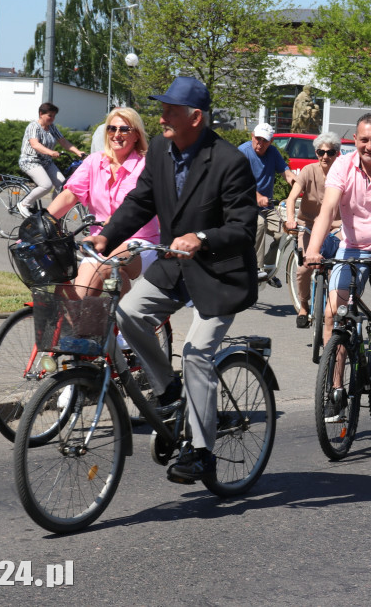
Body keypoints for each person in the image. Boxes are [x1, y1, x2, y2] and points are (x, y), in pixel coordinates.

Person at [85, 76, 258, 483]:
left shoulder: (229, 161)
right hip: (173, 266)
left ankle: (201, 452)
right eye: (161, 109)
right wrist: (107, 235)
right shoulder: (161, 151)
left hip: (218, 276)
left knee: (196, 354)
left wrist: (201, 238)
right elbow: (141, 200)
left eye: (170, 111)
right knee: (127, 313)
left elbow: (243, 227)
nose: (161, 117)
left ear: (195, 118)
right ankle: (168, 390)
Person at [305, 113, 371, 369]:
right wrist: (313, 250)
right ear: (354, 139)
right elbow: (328, 209)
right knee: (333, 314)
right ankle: (333, 387)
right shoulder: (342, 166)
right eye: (364, 140)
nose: (369, 146)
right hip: (353, 245)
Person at [47, 107, 159, 298]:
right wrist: (42, 223)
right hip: (99, 242)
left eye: (124, 129)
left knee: (108, 264)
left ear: (136, 135)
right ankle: (107, 317)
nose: (116, 134)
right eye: (111, 128)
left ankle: (127, 317)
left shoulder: (146, 165)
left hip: (140, 241)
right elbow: (69, 195)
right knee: (77, 300)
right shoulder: (94, 161)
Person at [283, 131, 343, 328]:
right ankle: (303, 306)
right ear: (316, 153)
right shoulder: (308, 171)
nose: (325, 156)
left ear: (337, 153)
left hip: (335, 227)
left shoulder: (343, 173)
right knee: (303, 268)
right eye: (321, 152)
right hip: (308, 225)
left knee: (340, 267)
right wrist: (291, 220)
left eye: (330, 152)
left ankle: (338, 307)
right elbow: (291, 198)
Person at [237, 122, 297, 273]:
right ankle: (256, 268)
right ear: (252, 136)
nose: (261, 143)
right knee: (259, 224)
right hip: (245, 205)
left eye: (265, 140)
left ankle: (268, 270)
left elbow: (287, 174)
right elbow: (239, 182)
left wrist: (299, 186)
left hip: (267, 207)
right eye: (258, 138)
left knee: (283, 233)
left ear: (271, 141)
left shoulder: (273, 152)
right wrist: (257, 196)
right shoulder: (243, 152)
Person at [17, 102, 85, 216]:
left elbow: (63, 141)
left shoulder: (52, 127)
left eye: (54, 116)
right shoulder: (34, 126)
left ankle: (53, 212)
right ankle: (24, 204)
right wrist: (50, 152)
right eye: (50, 115)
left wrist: (78, 152)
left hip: (46, 162)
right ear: (41, 114)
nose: (52, 118)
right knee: (46, 185)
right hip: (30, 161)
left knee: (62, 185)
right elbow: (35, 144)